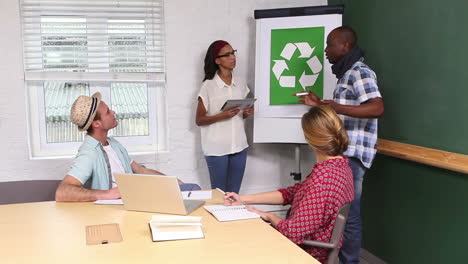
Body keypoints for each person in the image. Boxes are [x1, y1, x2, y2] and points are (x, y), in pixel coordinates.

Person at [223, 105, 354, 263]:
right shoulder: (341, 167)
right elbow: (291, 193)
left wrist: (269, 216)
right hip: (315, 249)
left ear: (310, 139)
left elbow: (293, 232)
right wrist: (243, 199)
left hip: (304, 253)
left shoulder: (323, 178)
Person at [298, 26, 384, 264]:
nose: (325, 50)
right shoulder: (346, 74)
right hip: (345, 153)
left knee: (349, 216)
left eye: (329, 44)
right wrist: (321, 104)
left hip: (354, 155)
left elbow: (377, 107)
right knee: (342, 215)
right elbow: (347, 110)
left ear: (345, 46)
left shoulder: (360, 72)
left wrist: (334, 106)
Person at [55, 92, 201, 202]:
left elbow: (140, 170)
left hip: (136, 196)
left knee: (192, 189)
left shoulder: (113, 143)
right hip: (121, 204)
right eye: (107, 112)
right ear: (96, 124)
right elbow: (62, 192)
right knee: (192, 192)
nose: (113, 112)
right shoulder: (89, 153)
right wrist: (107, 194)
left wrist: (172, 181)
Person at [195, 40, 254, 193]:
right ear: (217, 60)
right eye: (227, 55)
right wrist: (222, 116)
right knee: (219, 195)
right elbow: (199, 120)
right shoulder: (208, 86)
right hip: (217, 148)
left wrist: (246, 113)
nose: (232, 57)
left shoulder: (241, 84)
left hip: (239, 146)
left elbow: (240, 114)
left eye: (233, 52)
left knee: (234, 195)